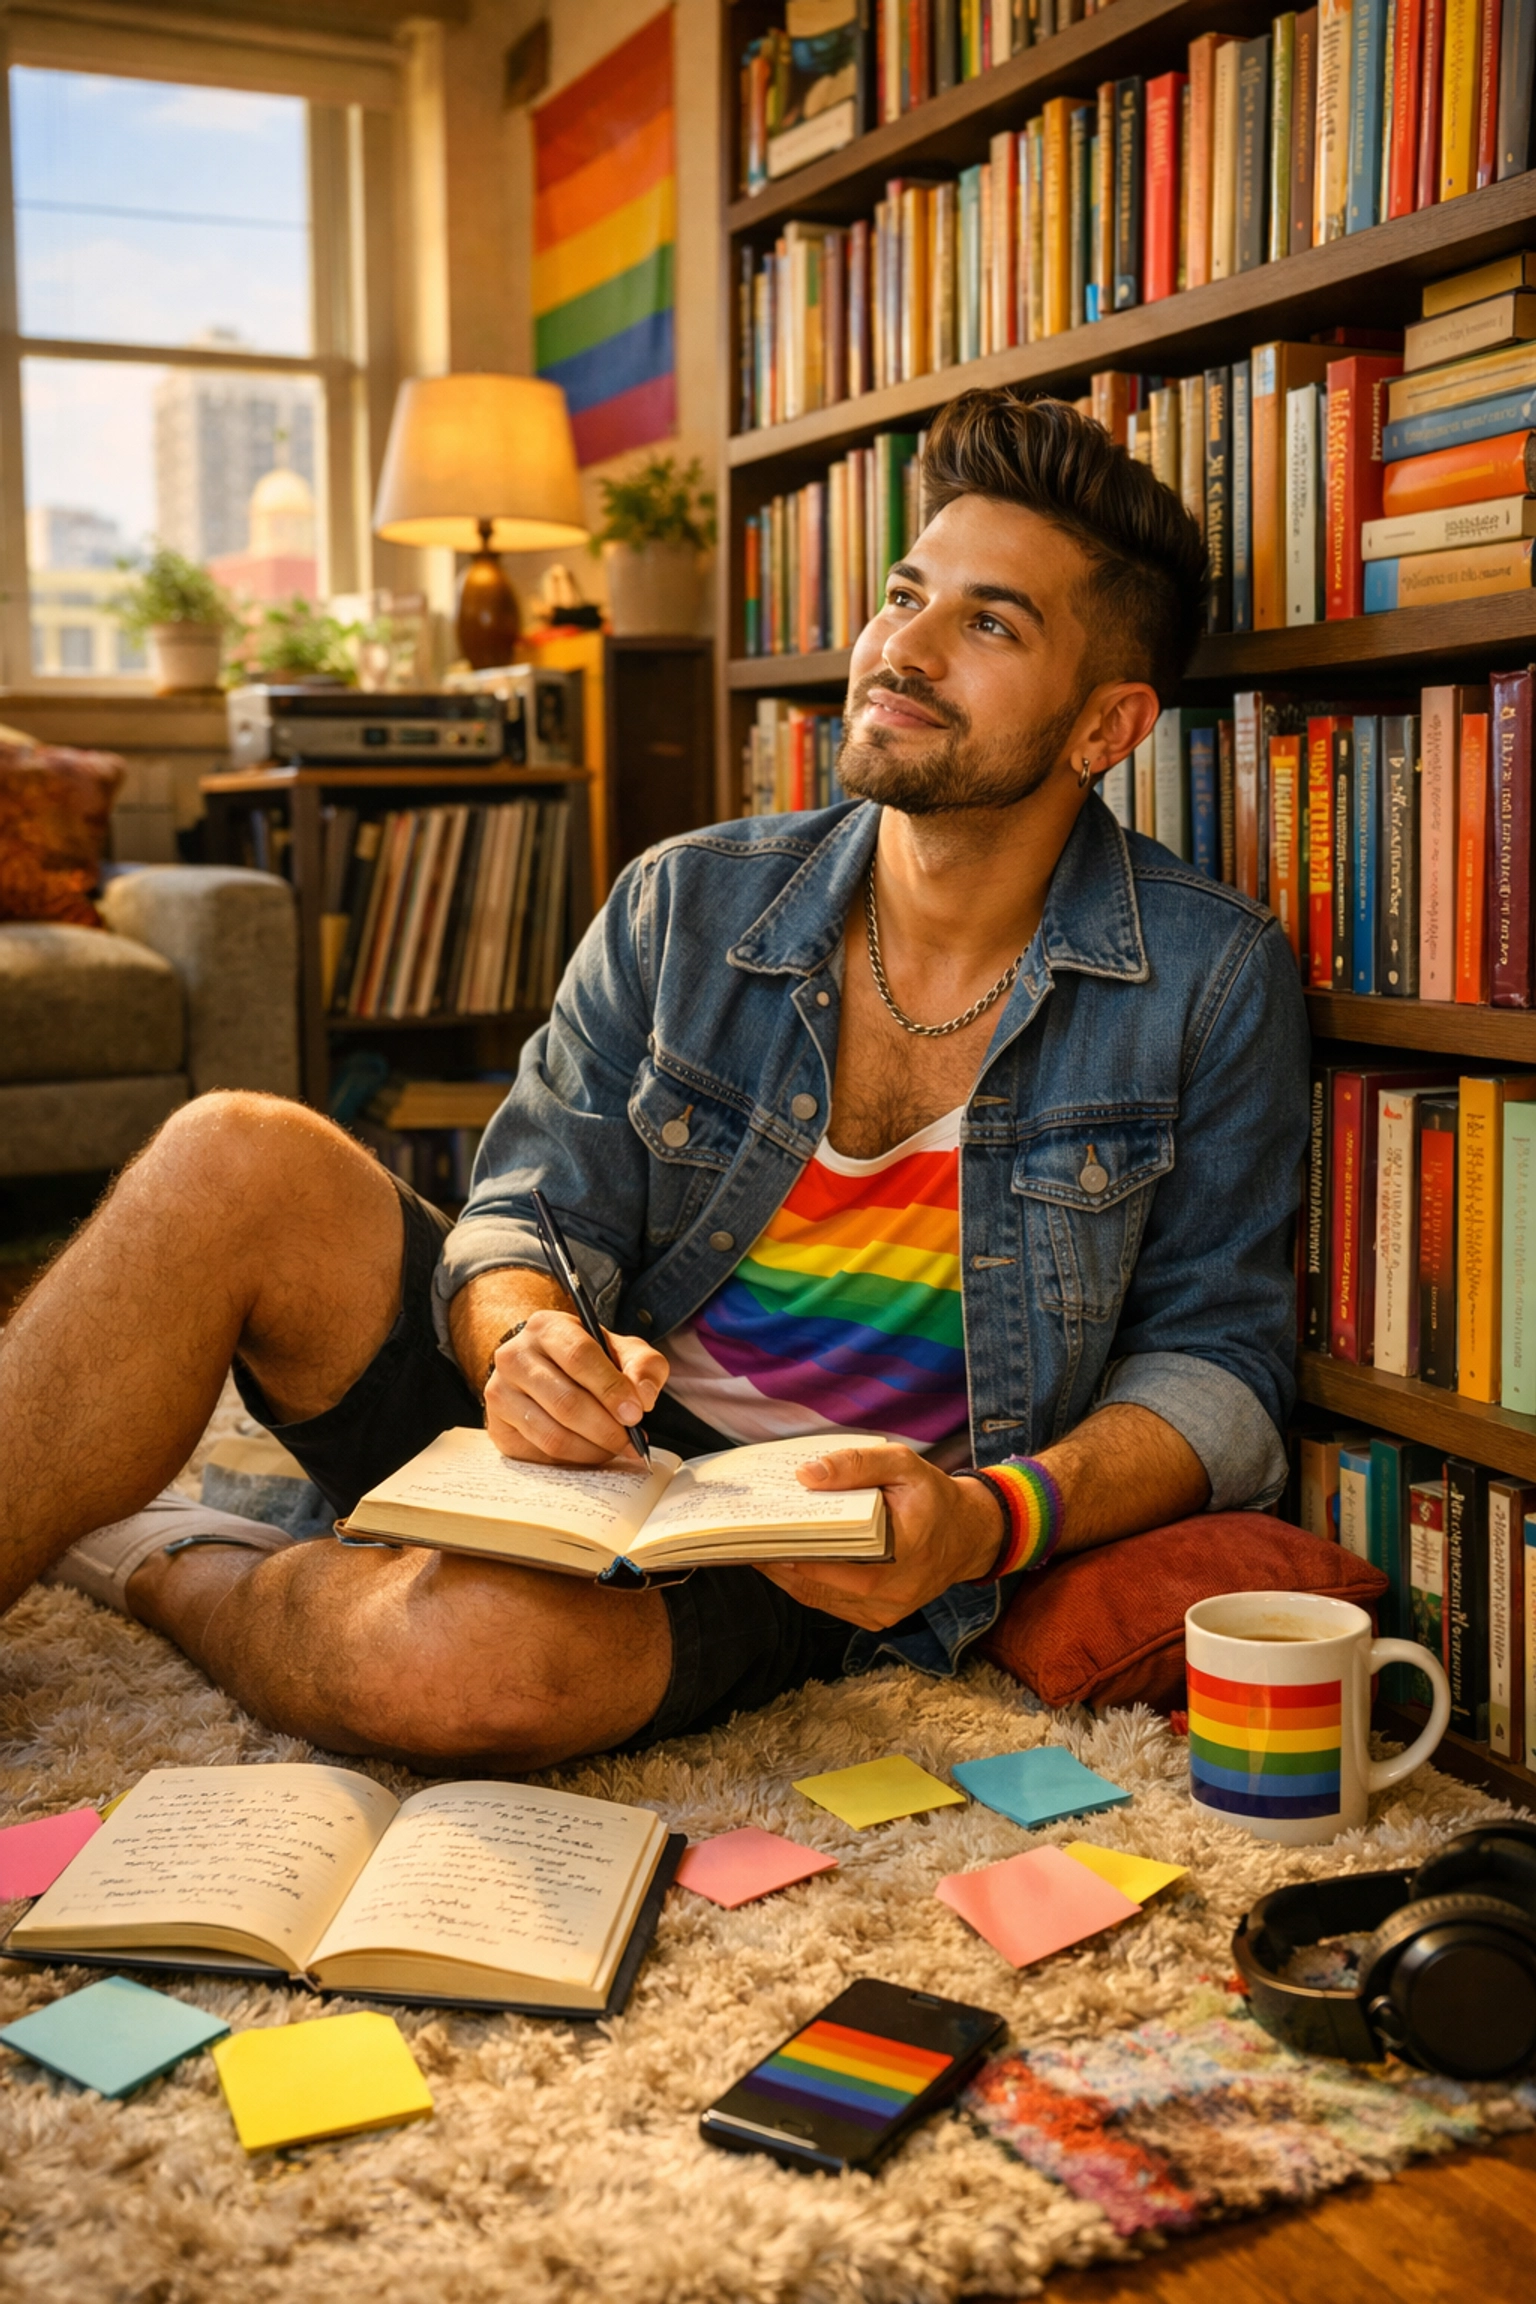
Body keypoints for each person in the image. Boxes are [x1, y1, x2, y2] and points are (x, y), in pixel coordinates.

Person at [0, 389, 1309, 1770]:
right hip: (582, 1441)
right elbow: (521, 1210)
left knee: (465, 1665)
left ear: (1106, 728)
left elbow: (1217, 1372)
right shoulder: (686, 902)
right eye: (904, 594)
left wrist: (989, 1520)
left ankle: (172, 1560)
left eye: (989, 624)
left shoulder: (1210, 983)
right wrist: (521, 1345)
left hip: (808, 1551)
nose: (900, 650)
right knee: (228, 1152)